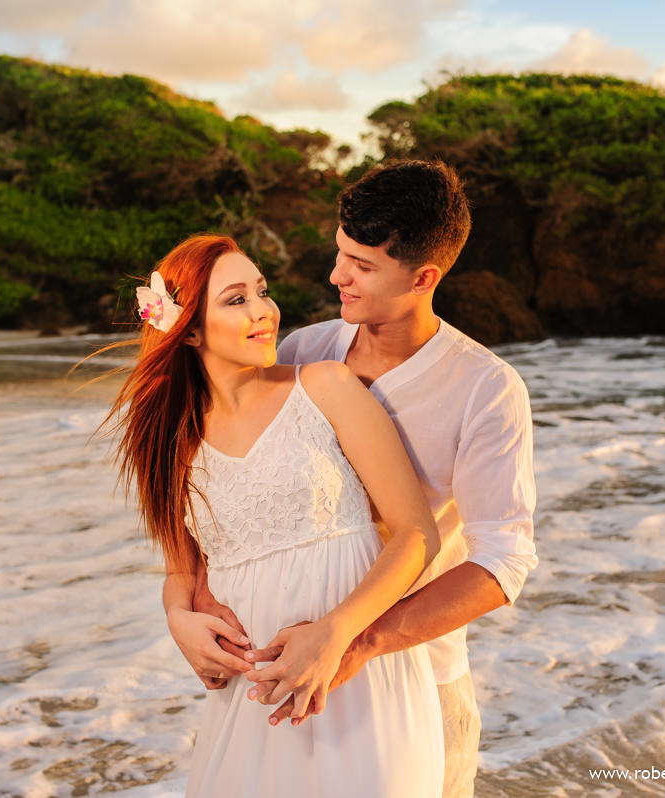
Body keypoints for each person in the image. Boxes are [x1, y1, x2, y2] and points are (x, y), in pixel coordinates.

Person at [188, 160, 539, 798]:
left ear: (425, 277)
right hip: (283, 674)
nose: (336, 276)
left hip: (415, 676)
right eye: (340, 252)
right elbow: (213, 483)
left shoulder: (484, 389)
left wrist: (355, 640)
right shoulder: (301, 352)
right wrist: (185, 605)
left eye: (363, 266)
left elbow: (504, 561)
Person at [105, 234, 446, 797]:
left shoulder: (326, 388)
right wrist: (178, 620)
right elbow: (182, 572)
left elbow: (415, 535)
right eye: (236, 299)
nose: (263, 311)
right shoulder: (170, 442)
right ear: (188, 328)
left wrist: (335, 635)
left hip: (355, 681)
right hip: (252, 696)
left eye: (261, 291)